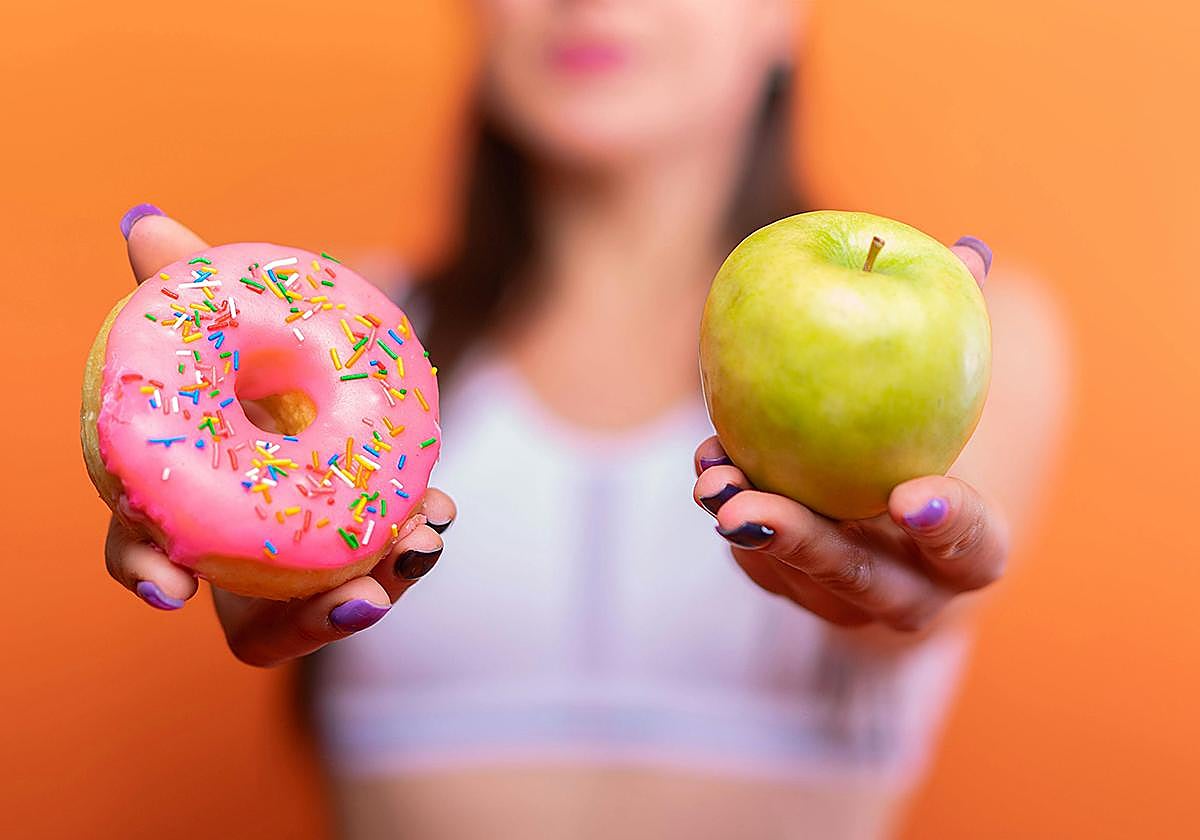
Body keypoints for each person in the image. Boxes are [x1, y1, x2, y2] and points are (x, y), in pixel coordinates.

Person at [105, 1, 1067, 837]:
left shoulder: (982, 336)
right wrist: (188, 472)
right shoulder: (349, 336)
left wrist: (892, 593)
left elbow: (919, 605)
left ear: (783, 10)